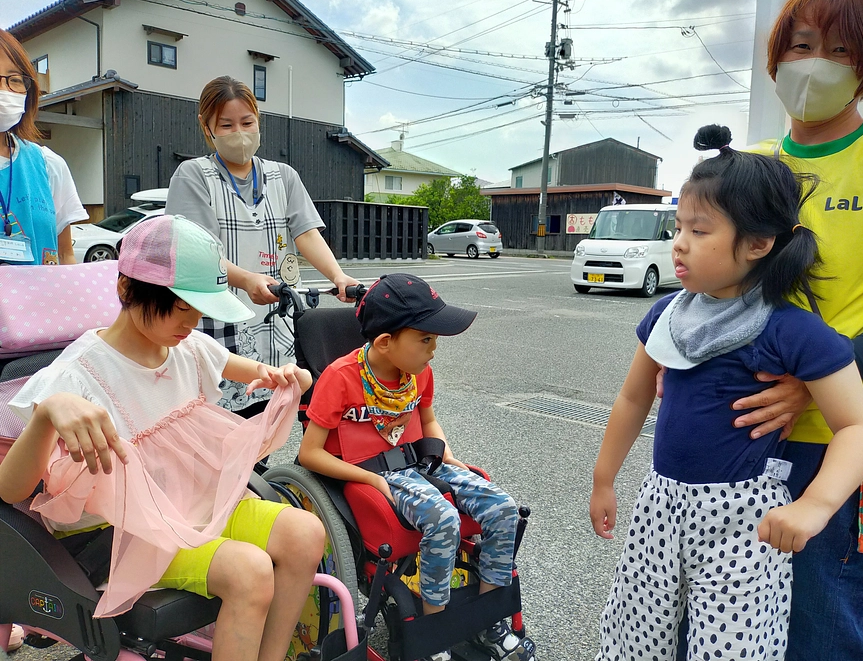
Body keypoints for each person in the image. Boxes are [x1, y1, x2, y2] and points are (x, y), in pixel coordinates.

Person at [590, 125, 863, 661]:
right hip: (659, 505)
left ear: (758, 243)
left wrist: (815, 506)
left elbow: (859, 426)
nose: (679, 243)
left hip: (744, 522)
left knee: (733, 649)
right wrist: (604, 479)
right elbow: (634, 398)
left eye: (699, 231)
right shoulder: (666, 314)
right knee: (636, 634)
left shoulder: (792, 331)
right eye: (679, 227)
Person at [0, 214, 325, 661]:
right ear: (125, 290)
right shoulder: (76, 374)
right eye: (179, 306)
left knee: (306, 531)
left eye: (198, 309)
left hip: (184, 506)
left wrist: (289, 376)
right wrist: (46, 416)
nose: (190, 321)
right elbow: (10, 490)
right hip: (114, 532)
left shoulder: (187, 347)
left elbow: (260, 373)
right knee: (248, 570)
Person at [719, 0, 863, 658]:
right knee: (728, 609)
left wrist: (817, 380)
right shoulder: (757, 164)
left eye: (841, 49)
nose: (816, 64)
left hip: (842, 437)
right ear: (777, 54)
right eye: (802, 44)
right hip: (741, 429)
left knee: (823, 624)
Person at [298, 273, 536, 661]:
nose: (434, 349)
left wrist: (446, 452)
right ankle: (433, 633)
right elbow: (310, 454)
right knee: (443, 520)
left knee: (503, 509)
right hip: (374, 472)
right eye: (426, 339)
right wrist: (371, 478)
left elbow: (427, 421)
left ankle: (487, 619)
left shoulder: (418, 373)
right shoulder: (340, 378)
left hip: (420, 460)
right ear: (385, 342)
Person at [166, 75, 357, 418]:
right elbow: (198, 251)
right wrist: (247, 280)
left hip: (274, 318)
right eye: (226, 124)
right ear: (206, 126)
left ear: (259, 121)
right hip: (219, 315)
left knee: (269, 416)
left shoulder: (282, 175)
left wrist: (338, 276)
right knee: (220, 424)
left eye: (247, 122)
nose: (239, 132)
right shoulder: (193, 174)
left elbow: (307, 233)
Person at [0, 29, 87, 265]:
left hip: (40, 301)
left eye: (15, 79)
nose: (4, 89)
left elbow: (65, 254)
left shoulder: (48, 164)